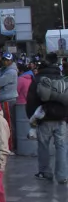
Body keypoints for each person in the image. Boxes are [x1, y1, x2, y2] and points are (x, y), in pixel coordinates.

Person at [26, 52, 68, 183]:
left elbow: (31, 100)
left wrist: (32, 118)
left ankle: (45, 172)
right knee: (61, 147)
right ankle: (62, 175)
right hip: (61, 118)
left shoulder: (38, 79)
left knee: (43, 146)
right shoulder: (61, 77)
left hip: (44, 118)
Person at [0, 53, 19, 150]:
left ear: (11, 61)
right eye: (4, 59)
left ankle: (11, 146)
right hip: (4, 98)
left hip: (8, 100)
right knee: (6, 124)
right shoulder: (3, 70)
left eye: (7, 60)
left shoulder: (11, 72)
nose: (5, 61)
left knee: (9, 124)